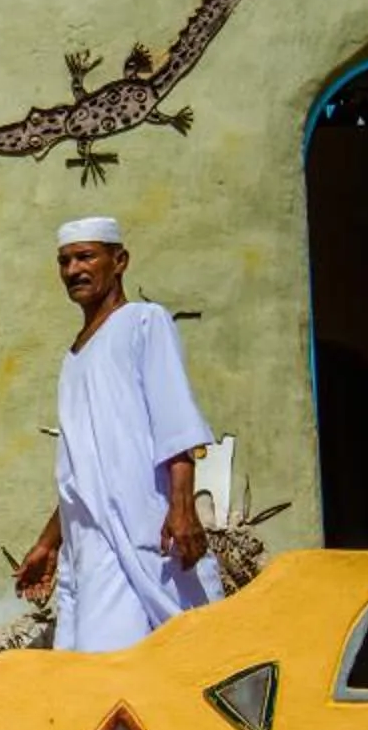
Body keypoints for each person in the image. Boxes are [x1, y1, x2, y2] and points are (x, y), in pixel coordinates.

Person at [12, 217, 221, 650]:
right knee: (91, 671)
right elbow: (81, 471)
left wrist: (183, 507)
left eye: (85, 257)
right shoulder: (74, 357)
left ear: (120, 261)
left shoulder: (144, 322)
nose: (73, 270)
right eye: (65, 261)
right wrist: (49, 543)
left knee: (128, 665)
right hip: (88, 547)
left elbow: (176, 422)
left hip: (142, 530)